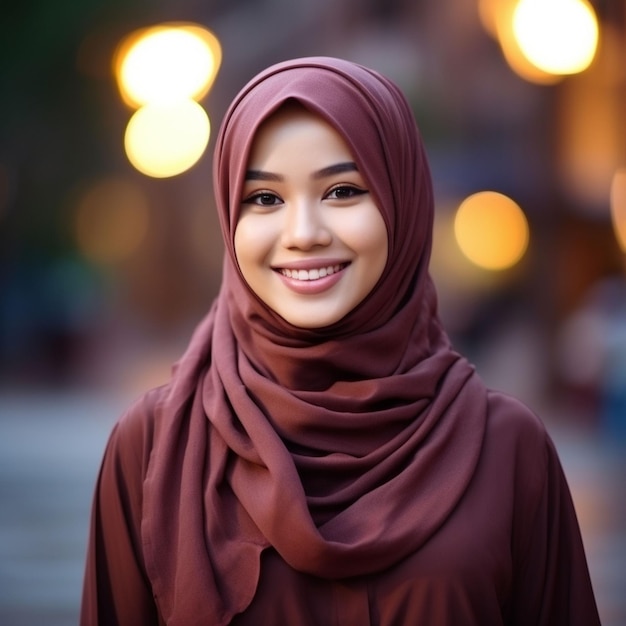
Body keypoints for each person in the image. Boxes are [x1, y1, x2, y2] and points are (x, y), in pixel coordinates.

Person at [80, 57, 601, 625]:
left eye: (343, 191)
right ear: (230, 217)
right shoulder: (155, 446)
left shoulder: (507, 449)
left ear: (401, 202)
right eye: (264, 199)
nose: (304, 233)